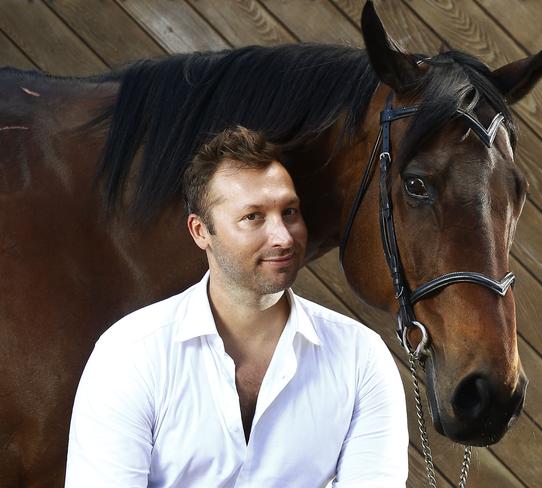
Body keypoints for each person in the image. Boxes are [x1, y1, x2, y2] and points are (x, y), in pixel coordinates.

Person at [65, 126, 408, 487]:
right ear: (200, 231)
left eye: (289, 211)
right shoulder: (130, 354)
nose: (283, 236)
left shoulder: (360, 358)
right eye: (253, 217)